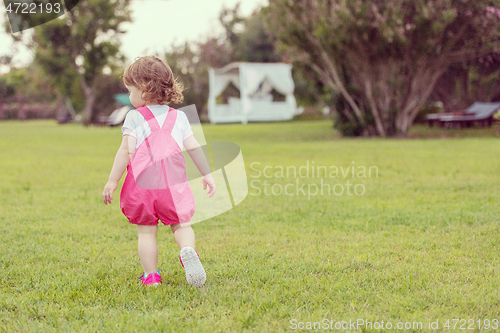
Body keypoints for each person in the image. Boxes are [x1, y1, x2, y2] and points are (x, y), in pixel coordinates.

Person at [102, 56, 215, 288]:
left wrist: (113, 181)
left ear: (144, 90)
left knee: (146, 233)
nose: (130, 96)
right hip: (173, 185)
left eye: (130, 91)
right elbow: (194, 147)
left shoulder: (134, 117)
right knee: (181, 225)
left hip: (143, 185)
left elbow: (125, 152)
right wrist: (206, 173)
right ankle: (187, 250)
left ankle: (151, 276)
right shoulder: (179, 117)